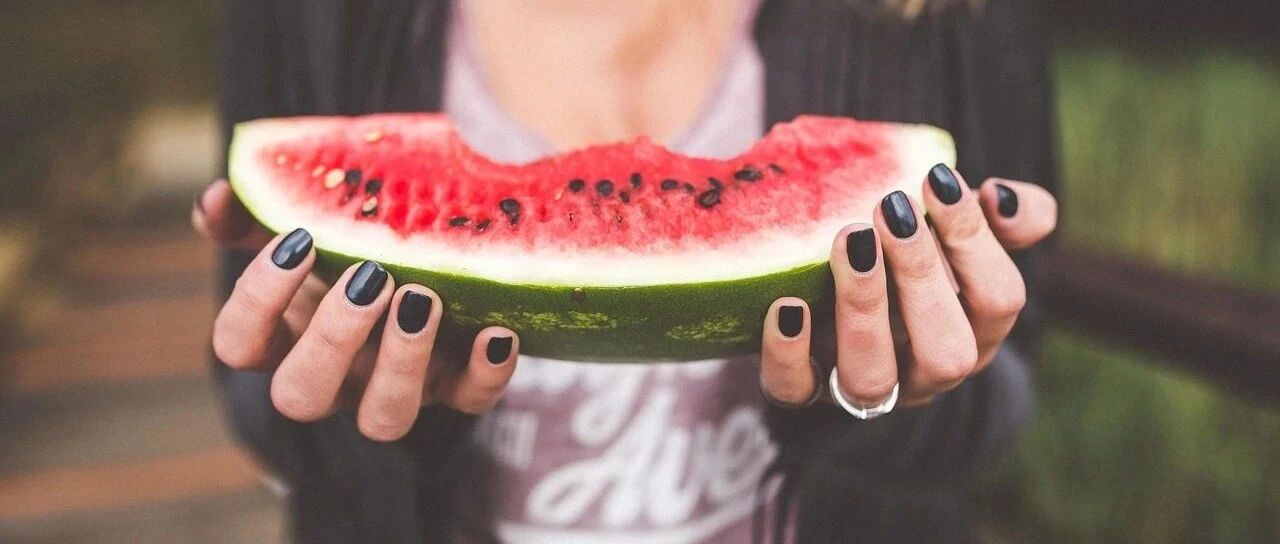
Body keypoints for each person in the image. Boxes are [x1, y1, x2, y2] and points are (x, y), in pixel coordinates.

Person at [191, 0, 1058, 542]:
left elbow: (1004, 399)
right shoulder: (315, 16)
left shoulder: (944, 14)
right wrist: (354, 407)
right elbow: (255, 390)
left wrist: (879, 397)